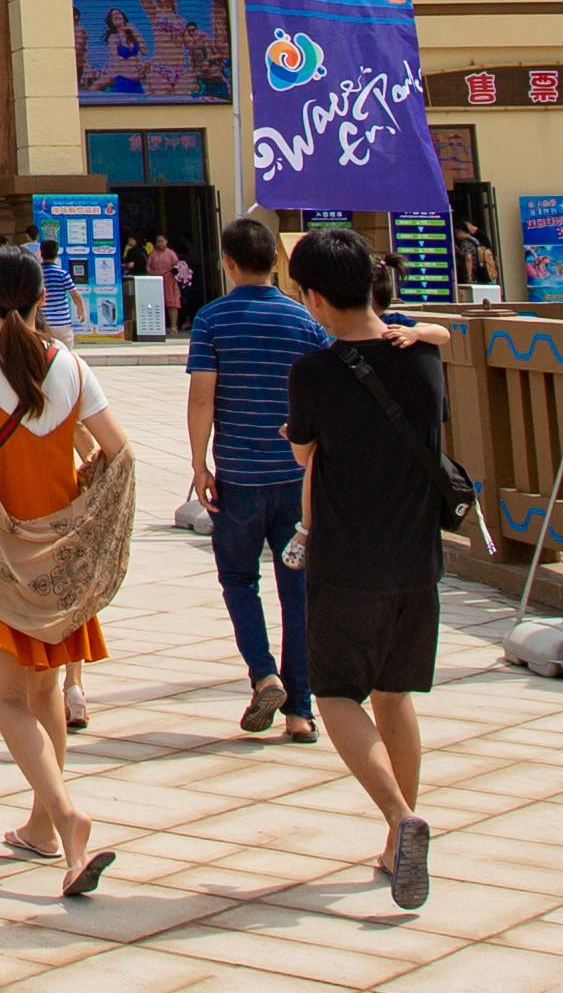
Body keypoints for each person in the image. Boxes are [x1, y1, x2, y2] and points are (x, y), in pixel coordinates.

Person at [0, 243, 121, 897]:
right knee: (43, 694)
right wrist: (85, 518)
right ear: (44, 297)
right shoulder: (70, 364)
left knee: (7, 698)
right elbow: (116, 450)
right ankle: (42, 828)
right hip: (59, 555)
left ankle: (67, 817)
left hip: (2, 555)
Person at [282, 225, 455, 904]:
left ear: (317, 299)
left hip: (347, 555)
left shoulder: (314, 371)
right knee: (395, 693)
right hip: (417, 556)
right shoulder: (421, 360)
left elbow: (304, 453)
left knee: (335, 693)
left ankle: (399, 817)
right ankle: (395, 850)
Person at [180, 215, 319, 737]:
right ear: (276, 262)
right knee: (298, 591)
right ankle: (301, 711)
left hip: (238, 475)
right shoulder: (306, 322)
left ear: (228, 263)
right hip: (295, 477)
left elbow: (202, 396)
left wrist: (200, 464)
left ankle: (263, 674)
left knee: (239, 579)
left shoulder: (213, 320)